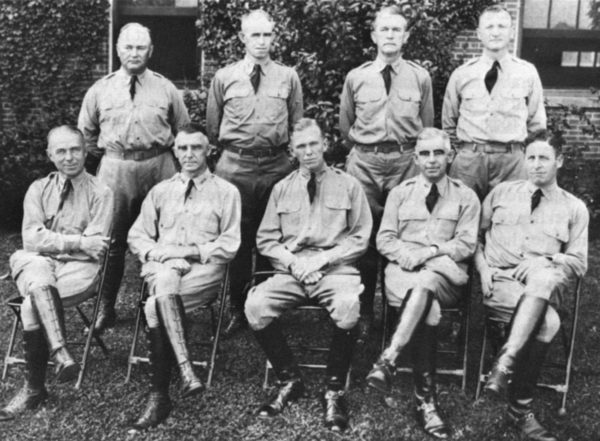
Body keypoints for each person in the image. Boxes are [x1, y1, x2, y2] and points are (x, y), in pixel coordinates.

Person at [244, 118, 372, 432]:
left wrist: (323, 261)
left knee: (347, 306)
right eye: (301, 146)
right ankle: (290, 379)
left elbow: (359, 237)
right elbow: (266, 240)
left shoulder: (349, 185)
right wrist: (294, 263)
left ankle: (334, 390)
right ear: (292, 151)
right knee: (255, 307)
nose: (309, 151)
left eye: (314, 143)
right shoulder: (282, 189)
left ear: (325, 144)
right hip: (293, 271)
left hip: (336, 269)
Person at [366, 128, 480, 439]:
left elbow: (467, 244)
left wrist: (431, 253)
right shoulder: (400, 193)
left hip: (445, 278)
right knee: (427, 305)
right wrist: (413, 258)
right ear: (415, 158)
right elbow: (385, 240)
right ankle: (426, 402)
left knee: (428, 282)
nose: (432, 160)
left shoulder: (466, 197)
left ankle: (389, 358)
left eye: (438, 153)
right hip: (403, 274)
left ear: (450, 156)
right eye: (425, 154)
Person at [127, 124, 241, 431]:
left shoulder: (226, 192)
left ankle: (160, 394)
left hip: (203, 274)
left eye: (196, 148)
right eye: (183, 148)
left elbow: (229, 244)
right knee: (163, 286)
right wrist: (157, 254)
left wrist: (186, 252)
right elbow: (137, 236)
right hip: (164, 269)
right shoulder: (161, 191)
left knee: (154, 305)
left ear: (209, 151)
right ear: (175, 152)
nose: (189, 154)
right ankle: (183, 373)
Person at [78, 22, 191, 333]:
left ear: (150, 51)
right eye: (128, 47)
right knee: (112, 242)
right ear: (118, 50)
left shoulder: (166, 88)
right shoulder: (100, 89)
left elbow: (183, 129)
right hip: (116, 168)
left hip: (159, 166)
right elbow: (85, 134)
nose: (134, 53)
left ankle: (152, 305)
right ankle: (106, 308)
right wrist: (113, 160)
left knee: (161, 237)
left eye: (141, 47)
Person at [476, 133, 588, 441]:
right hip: (502, 284)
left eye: (544, 158)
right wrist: (483, 267)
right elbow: (476, 239)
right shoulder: (500, 193)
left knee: (544, 276)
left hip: (545, 282)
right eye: (531, 158)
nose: (536, 165)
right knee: (549, 322)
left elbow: (579, 264)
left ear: (559, 161)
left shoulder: (574, 208)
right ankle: (519, 409)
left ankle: (506, 362)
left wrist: (548, 258)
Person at [0, 126, 113, 421]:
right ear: (50, 155)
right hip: (39, 261)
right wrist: (76, 242)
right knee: (36, 267)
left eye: (75, 149)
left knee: (30, 302)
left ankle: (35, 388)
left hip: (79, 270)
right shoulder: (38, 189)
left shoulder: (102, 192)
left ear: (86, 151)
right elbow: (31, 239)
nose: (69, 157)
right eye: (61, 151)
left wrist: (58, 244)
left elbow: (96, 246)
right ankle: (60, 353)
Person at [207, 9, 303, 338]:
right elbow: (212, 127)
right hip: (235, 166)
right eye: (255, 35)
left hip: (276, 166)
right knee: (237, 239)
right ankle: (236, 308)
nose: (261, 42)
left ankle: (264, 305)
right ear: (243, 38)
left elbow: (296, 123)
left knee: (272, 238)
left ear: (274, 38)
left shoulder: (288, 77)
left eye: (267, 35)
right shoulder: (224, 77)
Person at [339, 5, 434, 339]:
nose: (391, 35)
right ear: (374, 35)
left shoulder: (420, 77)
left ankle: (398, 310)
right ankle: (364, 311)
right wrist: (369, 149)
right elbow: (345, 126)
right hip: (364, 164)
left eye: (397, 30)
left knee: (402, 236)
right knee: (364, 239)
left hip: (406, 163)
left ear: (406, 36)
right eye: (385, 29)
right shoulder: (357, 76)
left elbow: (428, 126)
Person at [442, 5, 546, 200]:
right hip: (469, 162)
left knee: (509, 220)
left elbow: (537, 125)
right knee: (463, 218)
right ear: (479, 34)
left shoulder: (527, 73)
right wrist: (461, 155)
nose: (496, 32)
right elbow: (449, 122)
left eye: (502, 26)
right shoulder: (462, 74)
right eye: (489, 27)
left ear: (511, 32)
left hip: (511, 163)